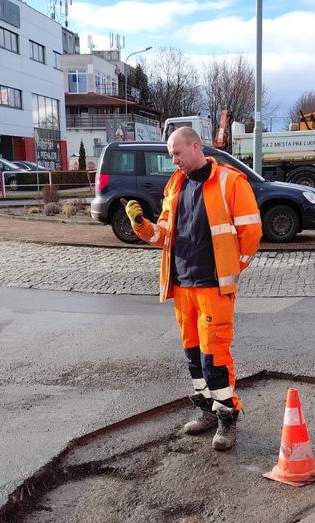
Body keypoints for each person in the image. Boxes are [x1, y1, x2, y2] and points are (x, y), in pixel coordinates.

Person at [124, 127, 262, 451]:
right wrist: (141, 227)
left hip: (213, 287)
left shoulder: (230, 180)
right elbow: (164, 235)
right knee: (193, 355)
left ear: (195, 147)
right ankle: (206, 411)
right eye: (171, 155)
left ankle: (227, 416)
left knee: (214, 355)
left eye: (177, 153)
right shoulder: (176, 184)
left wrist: (231, 267)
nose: (173, 160)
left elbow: (251, 232)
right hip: (183, 284)